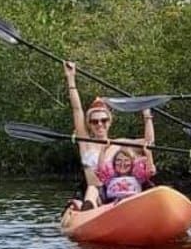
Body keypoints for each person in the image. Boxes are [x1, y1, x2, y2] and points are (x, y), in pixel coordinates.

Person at [64, 61, 153, 210]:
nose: (99, 124)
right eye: (94, 121)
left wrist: (147, 116)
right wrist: (71, 78)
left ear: (109, 122)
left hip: (118, 193)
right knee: (92, 189)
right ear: (89, 124)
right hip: (96, 196)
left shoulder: (120, 144)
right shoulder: (84, 142)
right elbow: (77, 110)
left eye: (103, 120)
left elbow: (149, 143)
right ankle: (87, 210)